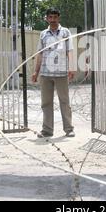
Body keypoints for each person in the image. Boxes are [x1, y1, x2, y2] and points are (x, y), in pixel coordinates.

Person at [32, 8, 75, 138]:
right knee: (46, 102)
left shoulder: (65, 32)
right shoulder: (43, 34)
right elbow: (40, 53)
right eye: (50, 17)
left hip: (61, 72)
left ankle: (69, 129)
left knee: (64, 101)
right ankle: (47, 130)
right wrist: (36, 72)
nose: (53, 19)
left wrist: (71, 68)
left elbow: (70, 51)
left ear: (59, 18)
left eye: (55, 17)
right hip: (45, 73)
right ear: (47, 18)